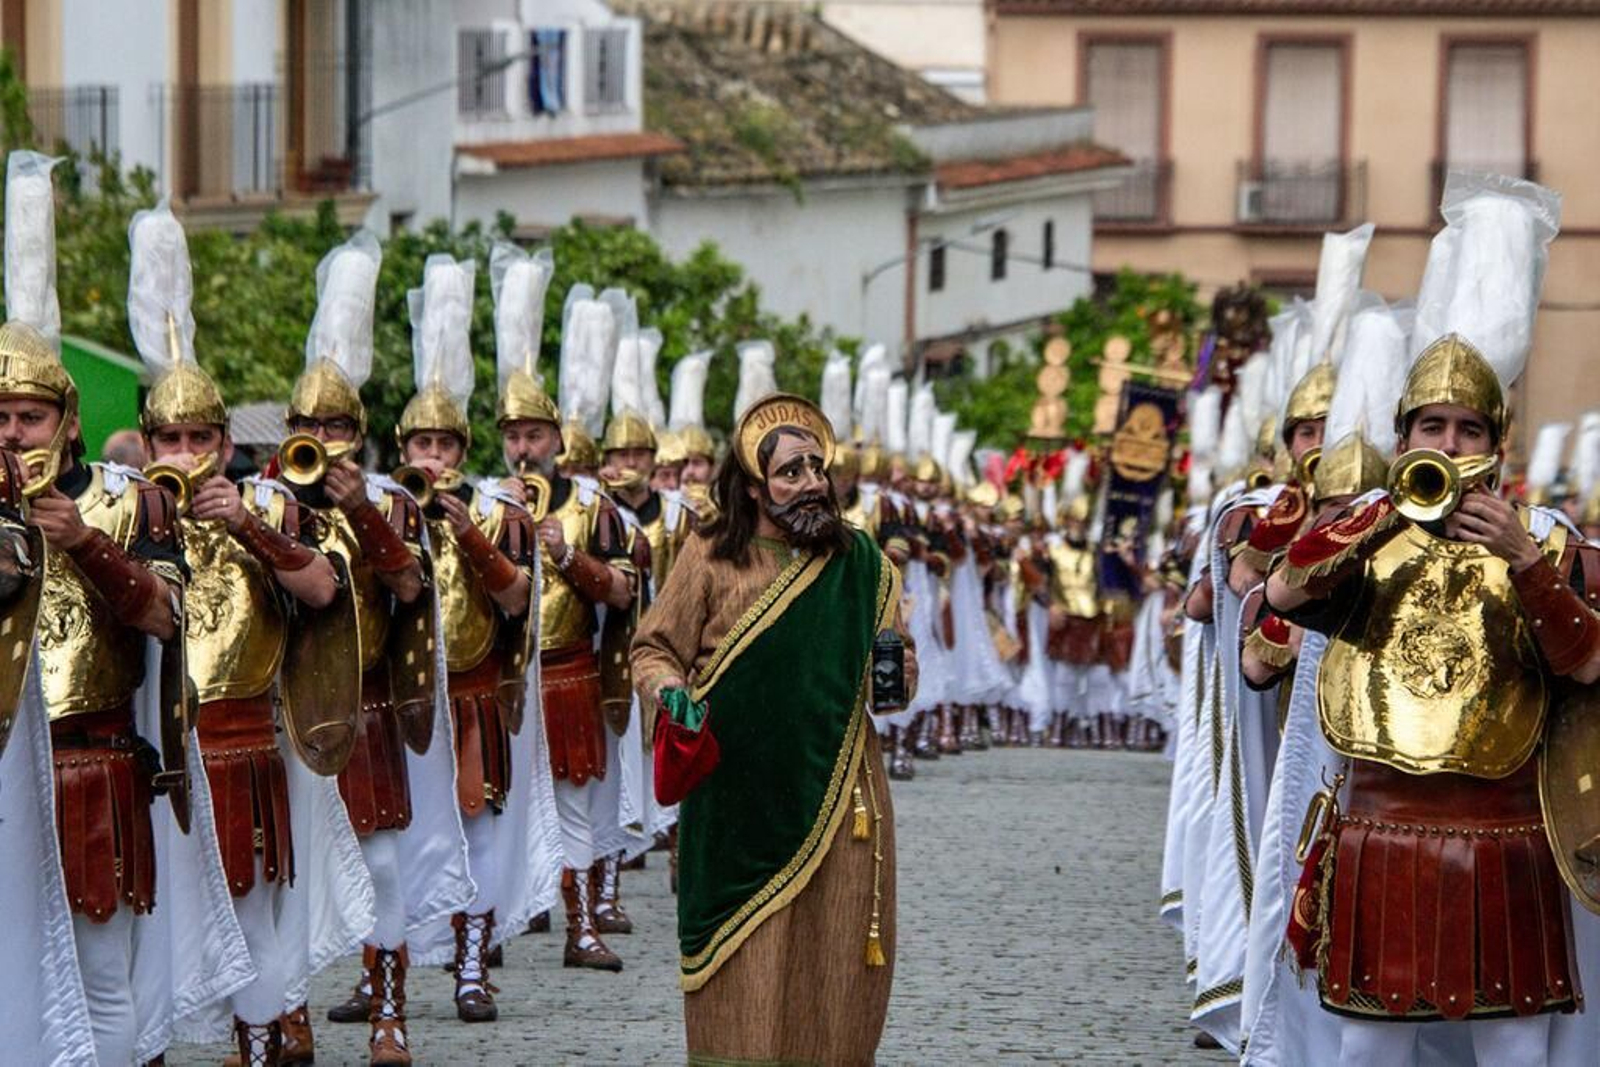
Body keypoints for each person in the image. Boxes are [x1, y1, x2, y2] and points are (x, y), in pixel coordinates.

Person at [1266, 177, 1599, 1064]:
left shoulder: (1551, 542)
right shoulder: (1367, 535)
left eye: (1465, 430)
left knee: (1517, 1059)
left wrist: (1527, 568)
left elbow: (1591, 666)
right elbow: (1282, 596)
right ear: (1405, 431)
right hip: (1380, 836)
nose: (1448, 448)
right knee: (1367, 1058)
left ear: (1498, 439)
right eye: (1430, 427)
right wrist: (1376, 512)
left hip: (1507, 843)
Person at [130, 204, 360, 1066]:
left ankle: (264, 1043)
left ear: (227, 442)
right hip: (157, 747)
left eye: (200, 437)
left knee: (258, 920)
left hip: (243, 744)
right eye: (170, 436)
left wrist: (249, 528)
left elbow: (324, 587)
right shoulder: (132, 509)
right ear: (147, 437)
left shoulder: (268, 504)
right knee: (155, 926)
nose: (186, 451)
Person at [632, 393, 915, 1066]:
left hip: (839, 794)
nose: (812, 481)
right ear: (754, 484)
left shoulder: (864, 566)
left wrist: (897, 667)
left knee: (832, 959)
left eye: (819, 467)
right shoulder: (709, 553)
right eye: (792, 471)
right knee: (744, 965)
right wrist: (672, 694)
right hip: (733, 800)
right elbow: (653, 649)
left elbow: (893, 688)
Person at [395, 251, 548, 1024]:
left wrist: (470, 537)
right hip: (407, 698)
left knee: (477, 833)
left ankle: (469, 965)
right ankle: (382, 969)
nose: (431, 459)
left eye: (444, 447)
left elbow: (520, 598)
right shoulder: (383, 507)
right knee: (395, 838)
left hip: (478, 694)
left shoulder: (499, 510)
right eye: (419, 447)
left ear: (463, 452)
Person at [503, 282, 637, 971]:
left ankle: (581, 926)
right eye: (514, 436)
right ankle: (484, 938)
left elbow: (623, 586)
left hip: (568, 668)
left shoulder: (594, 505)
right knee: (491, 810)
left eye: (535, 435)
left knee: (577, 804)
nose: (524, 448)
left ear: (557, 438)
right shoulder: (480, 503)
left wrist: (566, 553)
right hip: (498, 675)